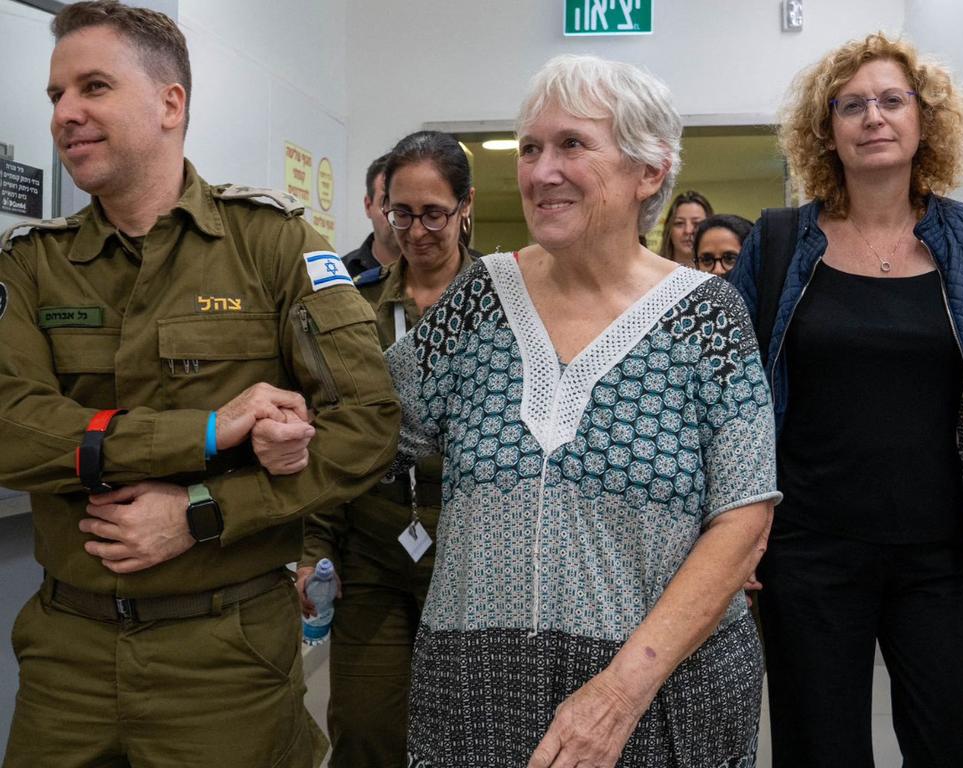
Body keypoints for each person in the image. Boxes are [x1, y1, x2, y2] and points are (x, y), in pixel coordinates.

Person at [0, 2, 400, 766]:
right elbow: (8, 425)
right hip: (66, 656)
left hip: (226, 657)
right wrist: (209, 433)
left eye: (92, 88)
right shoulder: (28, 262)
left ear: (170, 103)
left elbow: (367, 425)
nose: (67, 114)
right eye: (56, 96)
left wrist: (201, 513)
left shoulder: (272, 246)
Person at [387, 54, 779, 767]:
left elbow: (745, 511)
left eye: (572, 144)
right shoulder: (480, 297)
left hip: (659, 698)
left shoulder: (708, 316)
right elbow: (377, 426)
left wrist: (621, 692)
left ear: (650, 172)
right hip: (477, 693)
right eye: (531, 148)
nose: (540, 172)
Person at [729, 32, 963, 768]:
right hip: (809, 552)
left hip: (943, 556)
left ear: (924, 119)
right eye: (851, 105)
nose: (874, 117)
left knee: (955, 746)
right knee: (819, 751)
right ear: (825, 129)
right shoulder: (778, 241)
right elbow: (730, 400)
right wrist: (734, 533)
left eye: (892, 100)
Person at [299, 130, 477, 768]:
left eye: (434, 213)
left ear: (465, 207)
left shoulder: (504, 309)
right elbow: (331, 432)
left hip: (471, 553)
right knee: (366, 727)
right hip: (373, 541)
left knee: (465, 733)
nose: (417, 230)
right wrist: (315, 549)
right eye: (401, 212)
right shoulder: (356, 309)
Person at [342, 153, 402, 277]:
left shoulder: (444, 277)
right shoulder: (342, 274)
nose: (395, 215)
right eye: (386, 202)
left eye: (404, 205)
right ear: (368, 206)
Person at [658, 189, 712, 264]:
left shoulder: (722, 272)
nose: (688, 230)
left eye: (696, 223)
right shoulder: (651, 271)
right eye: (679, 223)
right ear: (669, 230)